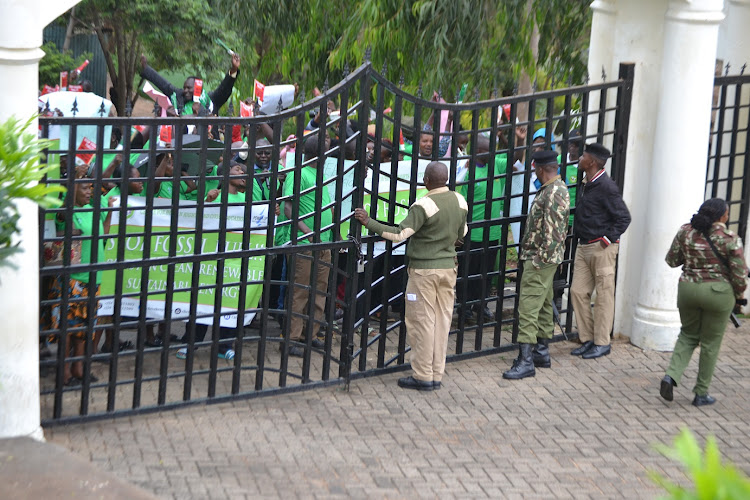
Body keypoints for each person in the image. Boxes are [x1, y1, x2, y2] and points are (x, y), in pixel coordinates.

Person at [354, 161, 468, 391]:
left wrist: (369, 222)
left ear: (426, 181)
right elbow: (462, 233)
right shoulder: (459, 200)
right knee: (442, 322)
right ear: (445, 179)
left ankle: (423, 376)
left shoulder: (423, 204)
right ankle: (436, 373)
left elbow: (399, 234)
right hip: (449, 269)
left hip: (424, 271)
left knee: (421, 323)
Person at [660, 199, 748, 406]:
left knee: (688, 334)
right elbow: (739, 275)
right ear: (721, 216)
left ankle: (670, 376)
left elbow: (672, 261)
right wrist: (739, 295)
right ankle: (701, 393)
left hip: (688, 289)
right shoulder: (730, 238)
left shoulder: (686, 232)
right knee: (710, 343)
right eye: (726, 213)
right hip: (718, 292)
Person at [503, 150, 569, 380]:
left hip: (540, 261)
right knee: (542, 306)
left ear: (539, 168)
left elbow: (552, 234)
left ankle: (526, 361)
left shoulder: (552, 193)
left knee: (528, 308)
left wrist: (539, 262)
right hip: (547, 260)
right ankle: (541, 352)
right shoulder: (555, 189)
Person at [46, 173, 114, 386]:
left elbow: (103, 233)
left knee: (85, 328)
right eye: (84, 188)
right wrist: (73, 178)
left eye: (89, 189)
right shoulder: (68, 212)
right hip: (72, 279)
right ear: (73, 190)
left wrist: (110, 212)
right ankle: (64, 372)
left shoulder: (91, 210)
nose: (88, 192)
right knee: (68, 327)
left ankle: (78, 368)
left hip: (93, 279)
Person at [569, 143, 631, 359]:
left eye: (583, 156)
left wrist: (607, 239)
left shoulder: (607, 187)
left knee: (604, 296)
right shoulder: (588, 183)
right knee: (577, 291)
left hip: (601, 247)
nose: (579, 159)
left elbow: (624, 217)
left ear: (592, 162)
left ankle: (602, 342)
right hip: (583, 246)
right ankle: (587, 339)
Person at [281, 133, 334, 357]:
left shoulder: (320, 174)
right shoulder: (299, 173)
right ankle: (291, 338)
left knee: (319, 291)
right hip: (305, 243)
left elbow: (327, 206)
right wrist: (308, 233)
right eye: (327, 148)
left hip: (325, 243)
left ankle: (309, 335)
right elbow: (288, 208)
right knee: (300, 291)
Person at [139, 53, 240, 116]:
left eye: (189, 88)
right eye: (184, 88)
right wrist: (146, 68)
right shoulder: (178, 96)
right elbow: (163, 84)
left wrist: (233, 70)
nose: (185, 90)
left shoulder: (210, 99)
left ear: (198, 89)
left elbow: (224, 89)